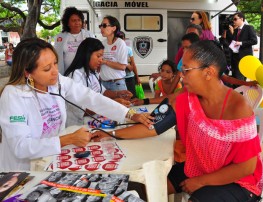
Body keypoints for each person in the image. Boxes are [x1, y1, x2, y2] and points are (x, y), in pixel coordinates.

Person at [94, 40, 263, 201]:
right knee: (143, 187)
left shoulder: (238, 108)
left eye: (186, 70)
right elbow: (152, 126)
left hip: (238, 181)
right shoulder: (185, 99)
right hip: (199, 167)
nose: (181, 76)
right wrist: (110, 134)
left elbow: (245, 168)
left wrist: (202, 181)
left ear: (208, 72)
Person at [0, 38, 152, 171]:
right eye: (47, 69)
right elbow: (20, 147)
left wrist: (129, 114)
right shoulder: (13, 95)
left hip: (49, 161)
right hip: (23, 170)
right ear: (27, 72)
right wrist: (69, 139)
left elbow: (90, 97)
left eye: (55, 63)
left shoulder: (57, 82)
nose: (55, 72)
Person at [64, 38, 133, 127]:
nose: (101, 60)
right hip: (78, 125)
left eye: (102, 57)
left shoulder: (93, 72)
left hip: (93, 121)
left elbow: (103, 92)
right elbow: (81, 109)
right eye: (98, 56)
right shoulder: (75, 75)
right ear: (87, 54)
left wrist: (118, 94)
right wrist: (113, 103)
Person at [54, 7, 94, 75]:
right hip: (68, 74)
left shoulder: (89, 35)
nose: (77, 23)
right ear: (68, 23)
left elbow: (94, 53)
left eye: (79, 20)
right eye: (73, 20)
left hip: (85, 73)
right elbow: (57, 56)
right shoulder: (60, 37)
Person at [99, 15, 128, 91]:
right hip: (103, 84)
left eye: (104, 25)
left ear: (114, 28)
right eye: (101, 25)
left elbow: (122, 67)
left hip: (117, 84)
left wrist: (105, 62)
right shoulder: (102, 44)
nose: (101, 28)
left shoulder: (120, 43)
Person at [229, 12, 257, 81]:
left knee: (240, 78)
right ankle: (237, 90)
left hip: (244, 57)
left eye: (235, 19)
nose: (234, 21)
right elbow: (234, 41)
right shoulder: (236, 30)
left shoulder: (249, 28)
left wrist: (241, 43)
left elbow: (254, 41)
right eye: (233, 19)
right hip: (235, 57)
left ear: (241, 19)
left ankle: (240, 91)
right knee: (235, 76)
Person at [118, 31, 141, 98]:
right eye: (118, 38)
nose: (120, 40)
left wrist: (137, 77)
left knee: (132, 97)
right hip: (119, 78)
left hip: (129, 77)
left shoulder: (128, 49)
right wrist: (127, 65)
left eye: (121, 38)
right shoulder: (113, 50)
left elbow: (132, 65)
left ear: (124, 39)